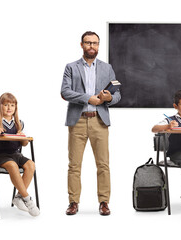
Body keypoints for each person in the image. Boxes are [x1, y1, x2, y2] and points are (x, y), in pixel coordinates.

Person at [61, 31, 121, 216]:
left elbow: (118, 94)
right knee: (74, 165)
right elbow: (65, 92)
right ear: (81, 45)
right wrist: (89, 98)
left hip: (99, 121)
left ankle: (104, 202)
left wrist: (109, 98)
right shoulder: (71, 67)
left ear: (98, 45)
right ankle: (73, 202)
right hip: (77, 120)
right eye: (88, 43)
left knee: (103, 164)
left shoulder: (107, 68)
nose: (91, 46)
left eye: (95, 43)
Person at [0, 92, 40, 217]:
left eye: (12, 105)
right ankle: (27, 199)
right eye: (6, 105)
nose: (9, 108)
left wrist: (23, 137)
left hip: (15, 154)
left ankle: (18, 197)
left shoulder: (19, 123)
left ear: (15, 108)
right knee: (12, 166)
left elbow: (24, 144)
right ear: (0, 106)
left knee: (31, 165)